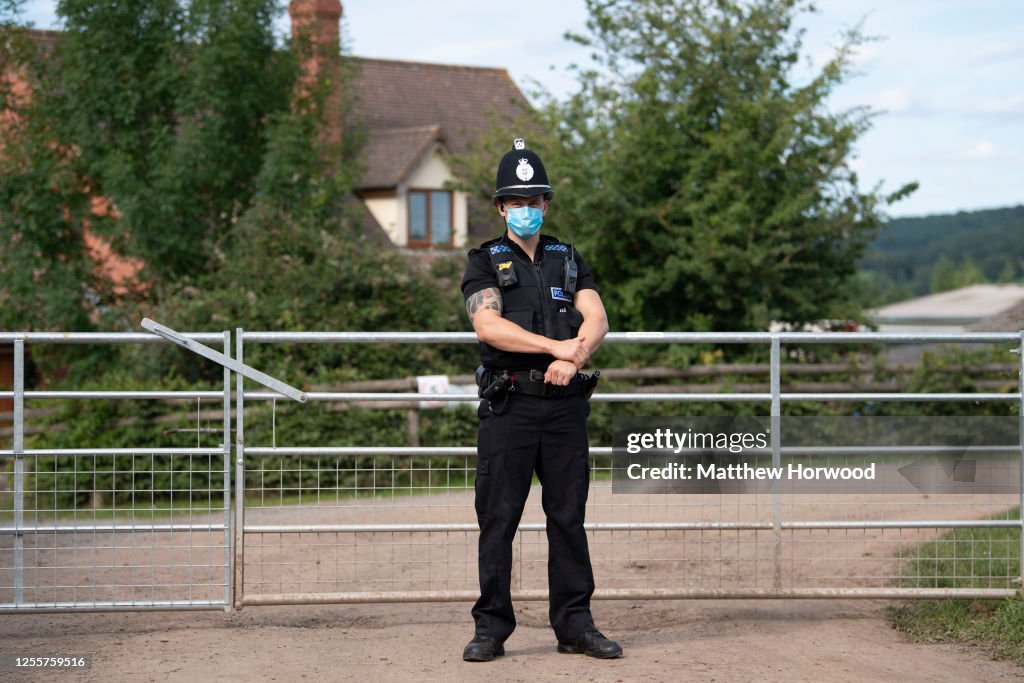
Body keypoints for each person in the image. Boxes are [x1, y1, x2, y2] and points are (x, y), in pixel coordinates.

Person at [459, 138, 621, 662]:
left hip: (565, 406)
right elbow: (488, 324)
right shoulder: (484, 262)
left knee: (568, 517)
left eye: (535, 201)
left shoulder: (567, 259)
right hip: (512, 405)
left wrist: (571, 360)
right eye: (516, 201)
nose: (526, 210)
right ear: (501, 206)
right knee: (499, 518)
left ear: (546, 204)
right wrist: (556, 346)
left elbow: (596, 318)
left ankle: (575, 624)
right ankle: (490, 629)